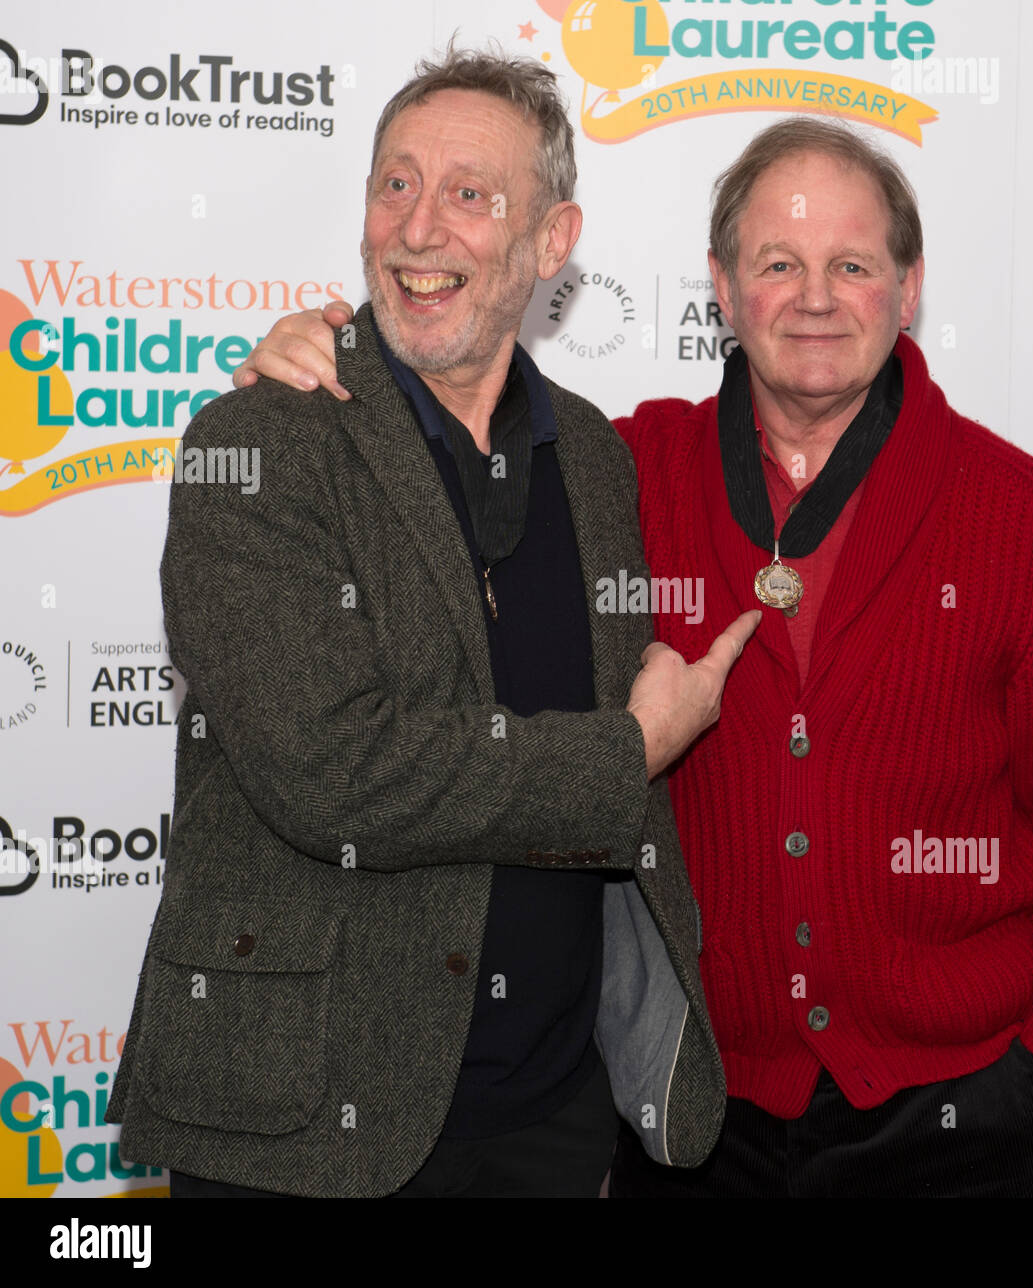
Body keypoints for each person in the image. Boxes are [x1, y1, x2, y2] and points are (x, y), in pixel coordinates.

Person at [238, 111, 1033, 1198]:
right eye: (777, 263)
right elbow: (430, 493)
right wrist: (324, 364)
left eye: (853, 265)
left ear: (908, 289)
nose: (816, 297)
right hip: (692, 1115)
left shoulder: (1018, 513)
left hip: (963, 1118)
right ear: (722, 291)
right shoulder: (614, 471)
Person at [105, 47, 762, 1199]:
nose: (418, 229)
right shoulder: (258, 443)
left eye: (469, 194)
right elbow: (337, 771)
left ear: (552, 242)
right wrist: (631, 751)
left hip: (554, 1117)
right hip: (306, 1126)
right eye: (393, 184)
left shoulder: (597, 459)